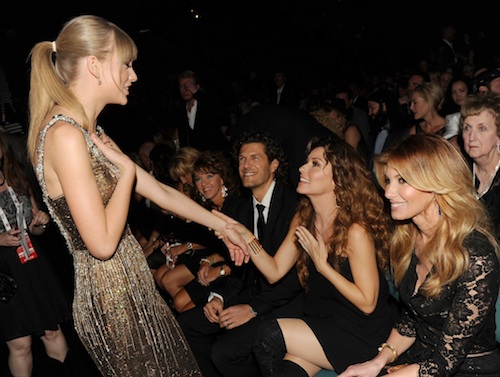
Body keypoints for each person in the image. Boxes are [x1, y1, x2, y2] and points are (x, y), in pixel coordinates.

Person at [25, 15, 248, 377]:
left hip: (130, 289)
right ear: (95, 65)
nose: (134, 75)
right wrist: (127, 172)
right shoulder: (64, 135)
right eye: (126, 64)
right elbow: (100, 244)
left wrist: (223, 225)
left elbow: (159, 190)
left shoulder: (86, 130)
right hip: (113, 300)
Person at [216, 136, 399, 376]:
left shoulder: (355, 230)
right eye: (306, 162)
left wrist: (323, 267)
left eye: (315, 164)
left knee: (268, 335)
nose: (302, 167)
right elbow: (274, 271)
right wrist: (246, 235)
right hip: (322, 322)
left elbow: (367, 303)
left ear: (338, 177)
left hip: (360, 333)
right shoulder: (304, 218)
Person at [340, 134, 500, 377]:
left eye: (402, 180)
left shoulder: (475, 256)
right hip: (421, 358)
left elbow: (444, 363)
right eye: (388, 180)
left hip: (468, 369)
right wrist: (378, 361)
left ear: (437, 184)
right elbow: (413, 317)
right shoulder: (408, 237)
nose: (389, 192)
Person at [178, 130, 303, 377]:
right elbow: (242, 270)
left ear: (274, 165)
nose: (246, 165)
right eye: (242, 159)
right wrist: (219, 298)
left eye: (255, 158)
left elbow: (292, 280)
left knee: (225, 351)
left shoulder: (293, 206)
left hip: (290, 300)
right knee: (188, 325)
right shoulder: (244, 209)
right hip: (255, 293)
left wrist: (252, 309)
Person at [0, 134, 72, 377]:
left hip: (32, 261)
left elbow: (35, 227)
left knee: (51, 329)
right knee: (20, 344)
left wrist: (41, 222)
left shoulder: (17, 176)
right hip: (4, 271)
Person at [155, 150, 239, 313]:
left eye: (209, 176)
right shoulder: (208, 206)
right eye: (199, 178)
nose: (203, 183)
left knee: (179, 301)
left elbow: (241, 254)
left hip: (232, 271)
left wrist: (216, 267)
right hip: (214, 260)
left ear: (222, 177)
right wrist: (208, 261)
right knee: (178, 301)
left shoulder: (234, 206)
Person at [461, 92, 500, 240]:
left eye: (482, 128)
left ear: (498, 136)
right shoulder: (459, 171)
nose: (472, 137)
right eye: (467, 128)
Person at [170, 70, 231, 152]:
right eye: (181, 86)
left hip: (213, 156)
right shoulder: (180, 111)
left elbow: (220, 115)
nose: (185, 89)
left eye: (188, 85)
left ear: (197, 87)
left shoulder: (207, 104)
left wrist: (197, 93)